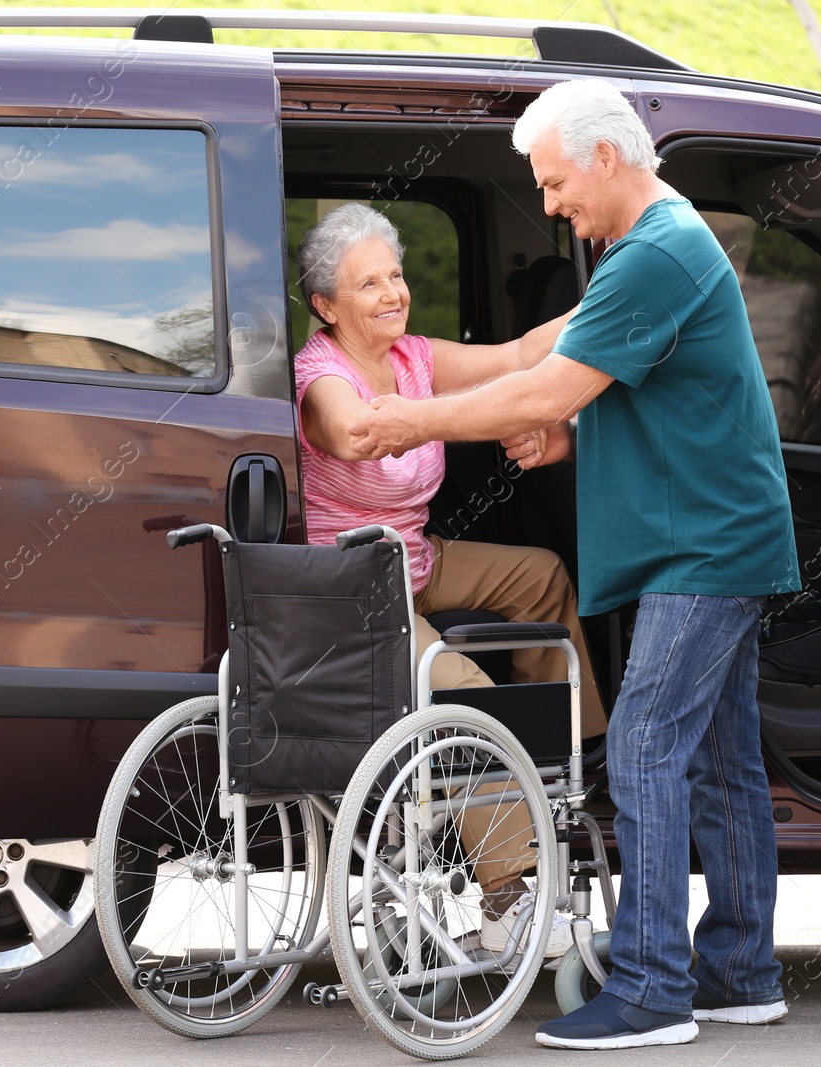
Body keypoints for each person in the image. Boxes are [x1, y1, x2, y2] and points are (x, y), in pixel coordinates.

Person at [347, 79, 801, 1049]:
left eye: (554, 182)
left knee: (640, 744)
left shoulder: (654, 253)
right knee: (721, 763)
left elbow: (546, 384)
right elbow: (642, 396)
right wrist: (566, 441)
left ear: (604, 156)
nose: (550, 204)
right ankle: (740, 972)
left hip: (707, 548)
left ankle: (649, 988)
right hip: (719, 536)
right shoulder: (649, 249)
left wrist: (407, 420)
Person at [292, 202, 608, 957]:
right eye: (369, 283)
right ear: (326, 305)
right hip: (358, 587)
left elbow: (523, 352)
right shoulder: (319, 374)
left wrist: (618, 298)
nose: (394, 292)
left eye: (396, 275)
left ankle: (586, 768)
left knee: (545, 580)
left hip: (417, 558)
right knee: (461, 683)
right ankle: (506, 890)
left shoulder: (414, 357)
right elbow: (357, 433)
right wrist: (468, 415)